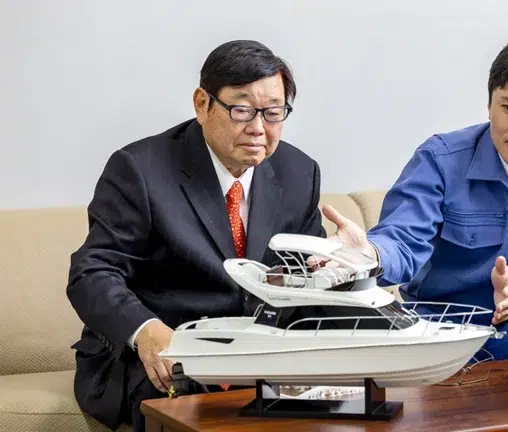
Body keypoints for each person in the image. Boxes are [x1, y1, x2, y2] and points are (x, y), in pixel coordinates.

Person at [66, 40, 325, 431]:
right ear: (202, 104)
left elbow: (308, 277)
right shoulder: (140, 169)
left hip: (258, 358)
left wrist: (347, 266)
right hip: (162, 355)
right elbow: (92, 272)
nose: (258, 128)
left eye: (273, 112)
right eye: (242, 110)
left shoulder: (299, 172)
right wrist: (146, 331)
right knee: (198, 405)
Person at [321, 36, 508, 361]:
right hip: (442, 356)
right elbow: (402, 239)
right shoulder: (439, 160)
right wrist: (371, 254)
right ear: (489, 105)